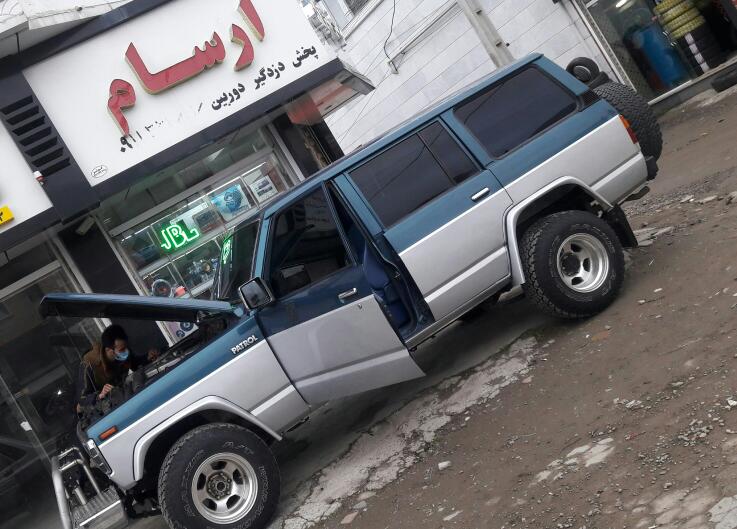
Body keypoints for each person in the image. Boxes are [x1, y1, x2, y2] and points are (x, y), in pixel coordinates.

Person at [75, 324, 158, 411]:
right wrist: (99, 395)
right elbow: (82, 398)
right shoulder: (89, 363)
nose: (126, 351)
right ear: (108, 350)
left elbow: (135, 364)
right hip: (104, 409)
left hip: (123, 397)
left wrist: (147, 357)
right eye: (121, 350)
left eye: (126, 347)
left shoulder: (123, 350)